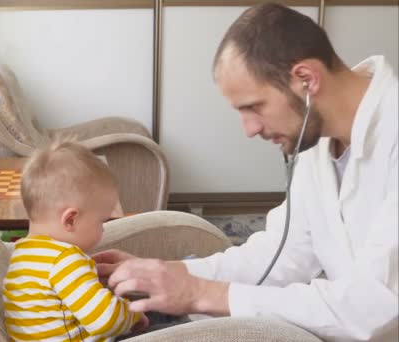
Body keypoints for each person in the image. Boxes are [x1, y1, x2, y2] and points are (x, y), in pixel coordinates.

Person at [93, 3, 398, 341]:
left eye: (254, 107)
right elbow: (282, 254)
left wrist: (199, 293)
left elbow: (374, 311)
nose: (249, 129)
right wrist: (170, 274)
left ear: (306, 80)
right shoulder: (316, 141)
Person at [2, 141, 148, 341]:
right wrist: (133, 315)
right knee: (169, 319)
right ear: (70, 219)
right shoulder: (65, 260)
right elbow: (104, 320)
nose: (103, 229)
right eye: (101, 221)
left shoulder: (22, 254)